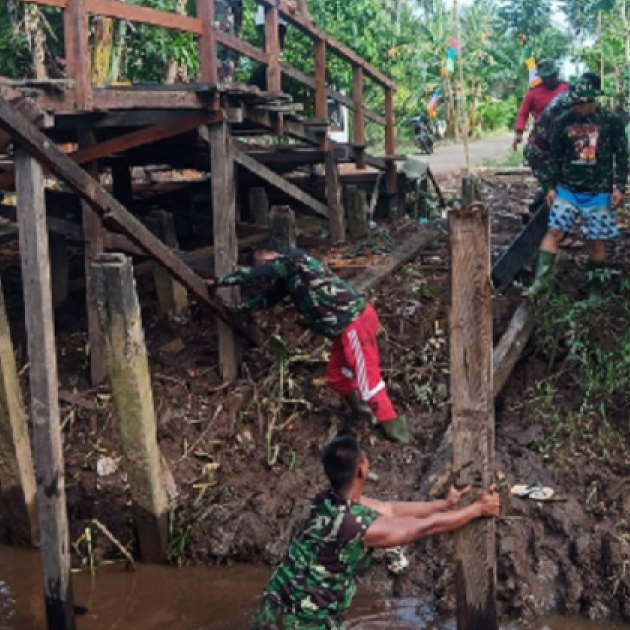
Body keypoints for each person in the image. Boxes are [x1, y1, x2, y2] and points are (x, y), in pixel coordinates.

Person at [250, 434, 501, 629]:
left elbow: (390, 509)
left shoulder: (325, 500)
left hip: (270, 614)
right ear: (362, 469)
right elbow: (425, 528)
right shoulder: (357, 527)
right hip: (306, 624)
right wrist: (477, 510)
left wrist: (444, 504)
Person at [207, 245, 413, 444]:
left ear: (270, 255)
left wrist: (220, 281)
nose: (266, 267)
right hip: (344, 330)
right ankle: (363, 413)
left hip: (354, 322)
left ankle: (395, 429)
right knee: (337, 376)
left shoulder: (294, 258)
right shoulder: (288, 278)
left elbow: (259, 273)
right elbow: (267, 299)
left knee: (368, 378)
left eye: (263, 262)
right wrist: (242, 308)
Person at [529, 79, 629, 301]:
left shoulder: (611, 121)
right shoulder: (563, 121)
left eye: (580, 104)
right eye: (574, 103)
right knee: (554, 231)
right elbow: (554, 157)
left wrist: (619, 187)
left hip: (599, 190)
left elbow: (621, 156)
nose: (576, 108)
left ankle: (595, 290)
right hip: (568, 189)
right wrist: (549, 187)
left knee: (596, 239)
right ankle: (540, 283)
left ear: (592, 101)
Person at [512, 60, 569, 152]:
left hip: (565, 131)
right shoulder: (533, 92)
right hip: (543, 132)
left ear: (557, 74)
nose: (549, 80)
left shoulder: (567, 88)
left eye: (552, 76)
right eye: (546, 78)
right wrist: (519, 132)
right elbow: (523, 113)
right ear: (541, 78)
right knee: (532, 152)